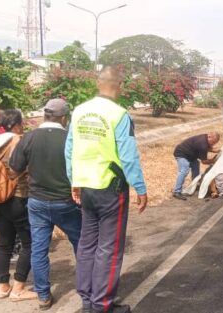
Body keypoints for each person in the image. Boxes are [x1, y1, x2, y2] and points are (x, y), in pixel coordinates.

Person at [66, 66, 148, 313]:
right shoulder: (119, 114)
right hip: (110, 188)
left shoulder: (79, 111)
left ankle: (87, 299)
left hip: (86, 187)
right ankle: (102, 305)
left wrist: (74, 180)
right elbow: (128, 155)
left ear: (98, 83)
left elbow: (69, 150)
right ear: (118, 85)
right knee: (109, 249)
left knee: (87, 244)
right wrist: (140, 187)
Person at [10, 98, 83, 310]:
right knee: (80, 242)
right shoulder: (71, 138)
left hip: (37, 202)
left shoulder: (29, 138)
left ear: (45, 115)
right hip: (66, 202)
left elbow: (14, 170)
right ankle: (86, 285)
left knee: (39, 249)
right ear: (64, 118)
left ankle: (43, 296)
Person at [0, 109, 36, 301]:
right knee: (30, 243)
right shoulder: (18, 141)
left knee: (4, 243)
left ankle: (3, 286)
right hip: (18, 196)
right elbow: (28, 168)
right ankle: (19, 287)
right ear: (17, 124)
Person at [172, 132, 220, 200]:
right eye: (213, 142)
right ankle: (177, 191)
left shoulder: (206, 138)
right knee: (184, 169)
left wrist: (216, 151)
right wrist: (213, 160)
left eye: (215, 143)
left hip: (190, 155)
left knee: (196, 165)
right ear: (209, 137)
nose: (213, 144)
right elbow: (204, 161)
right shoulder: (202, 144)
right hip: (181, 153)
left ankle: (195, 184)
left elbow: (208, 148)